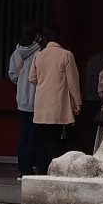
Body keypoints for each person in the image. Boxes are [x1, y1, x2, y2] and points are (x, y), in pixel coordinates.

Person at [29, 32, 80, 174]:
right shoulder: (66, 55)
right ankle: (56, 170)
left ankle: (41, 169)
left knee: (42, 140)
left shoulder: (39, 55)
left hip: (41, 105)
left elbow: (32, 78)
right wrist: (77, 101)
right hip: (58, 104)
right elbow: (73, 82)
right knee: (57, 140)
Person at [7, 26, 41, 175]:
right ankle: (30, 166)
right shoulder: (40, 53)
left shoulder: (16, 53)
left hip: (21, 99)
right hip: (36, 99)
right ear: (37, 37)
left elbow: (12, 76)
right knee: (34, 135)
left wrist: (21, 82)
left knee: (23, 135)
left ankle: (21, 167)